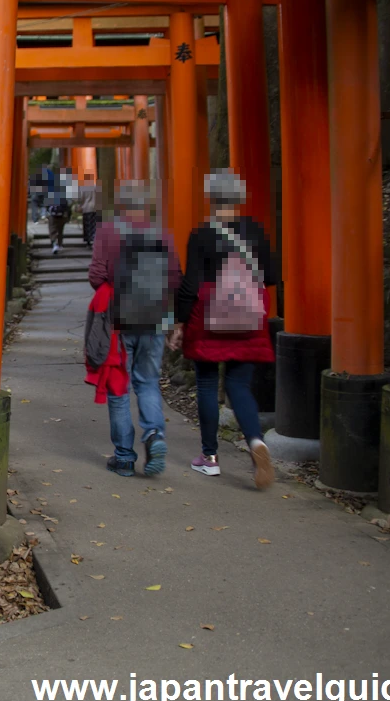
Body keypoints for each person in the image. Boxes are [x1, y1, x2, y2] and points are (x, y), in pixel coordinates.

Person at [170, 169, 278, 489]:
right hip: (248, 314)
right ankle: (256, 443)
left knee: (206, 384)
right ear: (239, 198)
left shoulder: (201, 234)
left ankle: (210, 458)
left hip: (208, 313)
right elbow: (270, 274)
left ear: (212, 198)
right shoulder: (255, 231)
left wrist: (178, 323)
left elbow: (190, 283)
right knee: (239, 385)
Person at [88, 180, 181, 477]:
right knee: (148, 382)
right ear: (147, 203)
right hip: (155, 314)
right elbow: (175, 279)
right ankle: (154, 435)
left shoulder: (107, 231)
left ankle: (124, 457)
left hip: (120, 317)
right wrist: (174, 321)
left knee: (119, 389)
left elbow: (96, 275)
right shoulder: (162, 233)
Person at [46, 167, 71, 254]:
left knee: (52, 229)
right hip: (62, 213)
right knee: (60, 230)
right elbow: (67, 204)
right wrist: (68, 215)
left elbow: (47, 202)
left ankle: (54, 243)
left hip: (53, 213)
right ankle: (59, 244)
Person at [80, 176, 101, 247]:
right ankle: (94, 239)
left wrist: (81, 205)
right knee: (94, 225)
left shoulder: (83, 188)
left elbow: (81, 198)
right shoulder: (95, 187)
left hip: (86, 208)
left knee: (87, 225)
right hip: (94, 207)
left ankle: (88, 241)